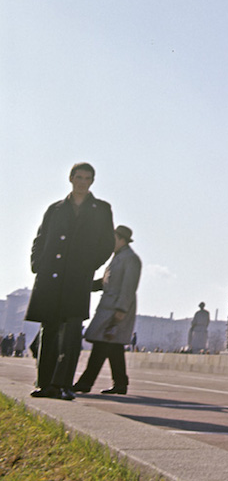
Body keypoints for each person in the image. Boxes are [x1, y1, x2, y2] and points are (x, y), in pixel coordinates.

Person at [26, 162, 115, 400]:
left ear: (92, 181)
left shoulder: (101, 209)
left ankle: (64, 385)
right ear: (71, 178)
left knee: (72, 334)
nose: (82, 182)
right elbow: (40, 239)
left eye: (87, 178)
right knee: (50, 331)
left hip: (77, 279)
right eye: (78, 177)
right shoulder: (55, 209)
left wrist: (87, 266)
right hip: (51, 278)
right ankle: (44, 384)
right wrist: (38, 264)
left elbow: (107, 244)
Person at [73, 225, 142, 396]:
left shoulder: (130, 258)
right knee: (113, 347)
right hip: (109, 307)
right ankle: (120, 383)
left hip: (116, 309)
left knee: (102, 345)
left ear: (121, 239)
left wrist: (121, 310)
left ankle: (86, 383)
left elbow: (128, 287)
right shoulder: (119, 257)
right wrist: (84, 285)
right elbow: (106, 282)